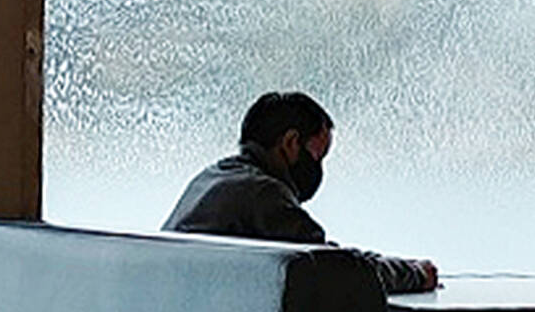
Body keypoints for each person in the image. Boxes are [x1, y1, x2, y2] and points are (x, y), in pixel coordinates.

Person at [163, 91, 438, 293]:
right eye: (318, 156)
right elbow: (338, 269)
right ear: (291, 143)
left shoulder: (211, 179)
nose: (318, 169)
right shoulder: (261, 193)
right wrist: (414, 274)